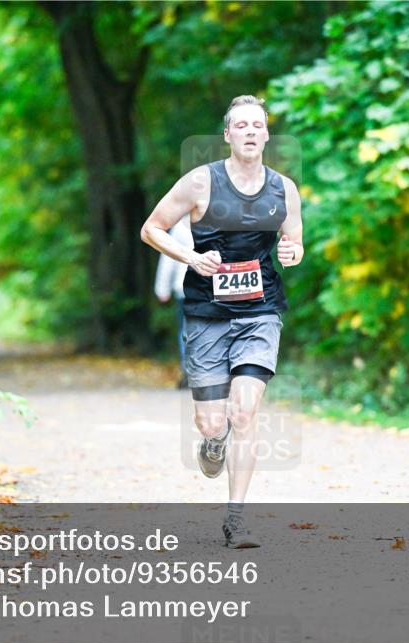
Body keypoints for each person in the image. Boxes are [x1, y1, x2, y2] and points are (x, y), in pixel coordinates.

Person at [140, 95, 304, 548]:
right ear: (228, 135)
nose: (251, 132)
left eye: (258, 125)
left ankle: (237, 518)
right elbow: (151, 229)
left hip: (260, 311)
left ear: (267, 134)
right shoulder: (199, 182)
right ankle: (214, 444)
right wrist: (192, 257)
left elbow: (294, 241)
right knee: (214, 424)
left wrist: (293, 252)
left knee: (245, 412)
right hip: (206, 316)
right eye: (242, 126)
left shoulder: (284, 189)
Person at [153, 215, 194, 388]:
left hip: (185, 287)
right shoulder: (220, 218)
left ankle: (189, 370)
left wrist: (162, 288)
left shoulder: (180, 226)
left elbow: (168, 256)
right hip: (209, 287)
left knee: (186, 331)